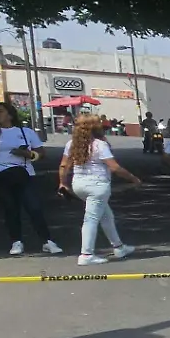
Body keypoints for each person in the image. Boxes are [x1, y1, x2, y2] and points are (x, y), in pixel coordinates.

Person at [0, 101, 61, 256]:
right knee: (10, 208)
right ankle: (17, 241)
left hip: (23, 174)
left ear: (10, 114)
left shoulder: (25, 132)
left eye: (0, 111)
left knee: (34, 207)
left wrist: (27, 154)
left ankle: (47, 241)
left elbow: (41, 153)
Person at [59, 112, 140, 265]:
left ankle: (119, 247)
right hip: (98, 186)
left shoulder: (71, 144)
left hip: (79, 185)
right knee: (91, 219)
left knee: (106, 216)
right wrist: (133, 178)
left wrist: (62, 183)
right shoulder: (99, 145)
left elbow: (64, 166)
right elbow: (114, 167)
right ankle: (86, 254)